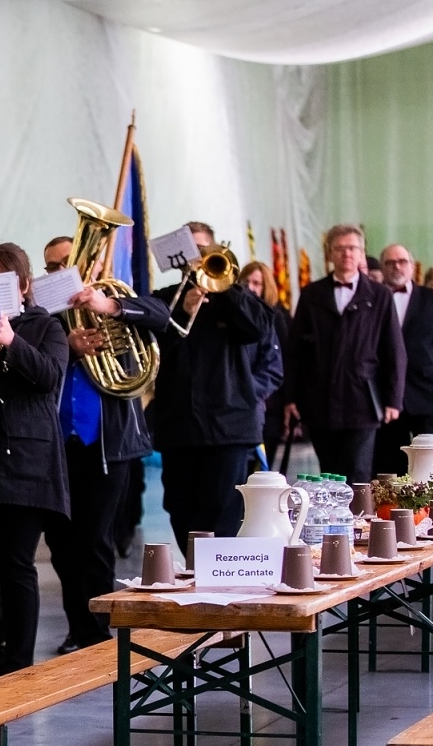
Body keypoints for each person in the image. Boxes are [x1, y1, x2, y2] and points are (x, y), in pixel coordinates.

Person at [41, 235, 168, 651]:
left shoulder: (113, 298)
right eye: (52, 267)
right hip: (56, 448)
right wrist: (68, 349)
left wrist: (110, 307)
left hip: (106, 448)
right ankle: (78, 627)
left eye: (65, 263)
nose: (59, 273)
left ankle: (95, 634)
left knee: (94, 541)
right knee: (61, 545)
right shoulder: (44, 316)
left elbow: (161, 315)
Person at [0, 243, 68, 676]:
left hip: (28, 461)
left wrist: (10, 340)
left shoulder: (47, 327)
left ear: (23, 286)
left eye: (2, 280)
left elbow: (48, 377)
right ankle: (2, 637)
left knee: (16, 563)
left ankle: (19, 661)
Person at [149, 223, 276, 546]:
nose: (196, 258)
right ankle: (194, 582)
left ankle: (214, 589)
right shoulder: (165, 301)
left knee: (222, 513)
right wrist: (184, 310)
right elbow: (155, 353)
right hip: (179, 427)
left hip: (228, 428)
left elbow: (259, 328)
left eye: (203, 250)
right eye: (190, 251)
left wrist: (225, 290)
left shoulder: (237, 298)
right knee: (180, 510)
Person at [284, 224, 406, 485]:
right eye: (339, 249)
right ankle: (332, 524)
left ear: (362, 253)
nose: (346, 254)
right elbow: (295, 351)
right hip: (319, 400)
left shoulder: (380, 296)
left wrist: (393, 399)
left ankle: (357, 524)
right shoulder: (312, 294)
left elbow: (393, 349)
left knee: (358, 472)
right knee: (329, 472)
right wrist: (291, 396)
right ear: (329, 254)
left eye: (352, 248)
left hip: (363, 399)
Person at [372, 244, 433, 473]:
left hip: (426, 392)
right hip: (386, 394)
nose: (397, 267)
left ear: (412, 267)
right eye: (390, 263)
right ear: (382, 268)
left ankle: (432, 508)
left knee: (429, 462)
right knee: (391, 463)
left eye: (402, 261)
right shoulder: (373, 299)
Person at [239, 262, 291, 459]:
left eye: (256, 283)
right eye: (246, 282)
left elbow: (283, 361)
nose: (250, 287)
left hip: (270, 403)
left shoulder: (277, 317)